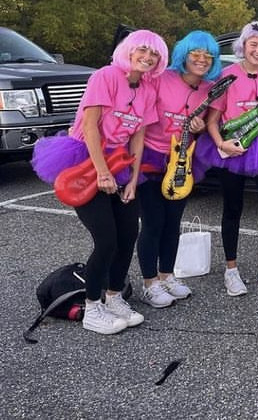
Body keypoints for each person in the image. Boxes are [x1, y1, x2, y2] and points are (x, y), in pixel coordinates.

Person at [32, 30, 168, 335]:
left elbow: (139, 135)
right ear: (129, 51)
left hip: (121, 164)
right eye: (142, 50)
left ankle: (114, 296)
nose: (147, 57)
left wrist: (133, 180)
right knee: (106, 240)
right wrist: (102, 171)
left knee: (128, 234)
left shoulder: (147, 89)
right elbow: (90, 126)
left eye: (154, 53)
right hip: (85, 159)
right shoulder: (106, 76)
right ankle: (92, 308)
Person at [194, 21, 258, 296]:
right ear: (243, 46)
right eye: (253, 45)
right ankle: (231, 270)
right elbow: (213, 120)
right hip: (232, 145)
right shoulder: (227, 75)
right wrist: (221, 145)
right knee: (232, 208)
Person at [136, 31, 222, 308]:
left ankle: (166, 275)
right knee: (153, 222)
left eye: (207, 56)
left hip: (182, 160)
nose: (201, 60)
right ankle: (149, 283)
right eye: (196, 54)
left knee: (173, 222)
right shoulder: (161, 79)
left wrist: (199, 129)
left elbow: (210, 125)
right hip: (151, 155)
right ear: (184, 54)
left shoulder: (210, 89)